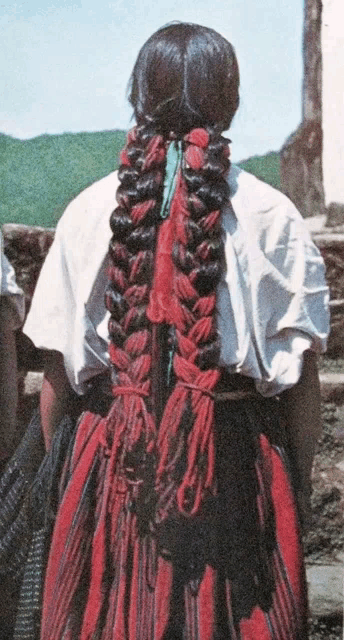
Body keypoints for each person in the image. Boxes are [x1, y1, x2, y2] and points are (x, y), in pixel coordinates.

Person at [20, 22, 329, 640]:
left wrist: (76, 475)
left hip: (114, 465)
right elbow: (302, 391)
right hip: (238, 472)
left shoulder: (86, 212)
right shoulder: (274, 217)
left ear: (137, 96)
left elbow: (59, 385)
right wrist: (285, 483)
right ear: (231, 100)